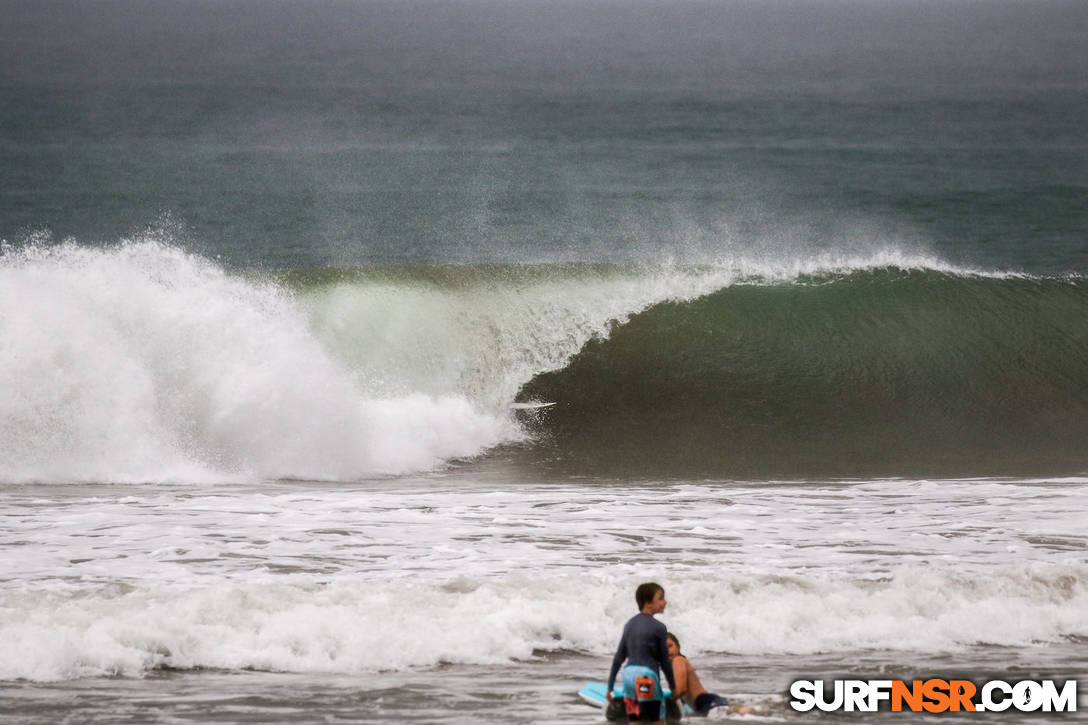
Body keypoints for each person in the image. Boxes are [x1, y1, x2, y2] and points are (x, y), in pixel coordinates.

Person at [606, 582, 677, 724]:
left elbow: (619, 657)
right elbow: (665, 662)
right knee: (657, 721)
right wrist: (673, 687)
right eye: (661, 598)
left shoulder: (629, 624)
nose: (665, 601)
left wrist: (610, 686)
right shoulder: (659, 627)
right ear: (648, 602)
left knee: (635, 720)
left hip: (629, 677)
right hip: (646, 677)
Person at [666, 633, 754, 717]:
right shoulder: (675, 665)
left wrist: (664, 699)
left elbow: (681, 689)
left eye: (670, 646)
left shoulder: (678, 660)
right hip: (708, 703)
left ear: (678, 647)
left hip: (707, 702)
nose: (667, 650)